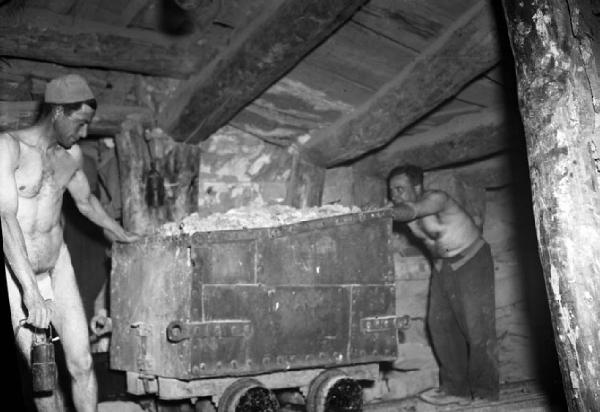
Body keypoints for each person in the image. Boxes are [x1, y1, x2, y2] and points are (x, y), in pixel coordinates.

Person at [0, 74, 139, 412]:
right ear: (58, 112)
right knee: (44, 376)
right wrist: (31, 293)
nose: (85, 133)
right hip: (19, 276)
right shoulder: (10, 147)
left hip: (57, 265)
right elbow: (5, 217)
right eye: (80, 123)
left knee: (82, 364)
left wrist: (123, 235)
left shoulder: (70, 156)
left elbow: (87, 202)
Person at [387, 164, 499, 405]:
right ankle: (455, 389)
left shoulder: (436, 199)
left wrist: (383, 212)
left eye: (400, 189)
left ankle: (485, 392)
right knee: (439, 325)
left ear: (417, 187)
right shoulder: (405, 212)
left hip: (471, 261)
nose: (395, 196)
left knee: (477, 329)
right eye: (392, 191)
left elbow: (413, 210)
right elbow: (431, 242)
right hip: (443, 267)